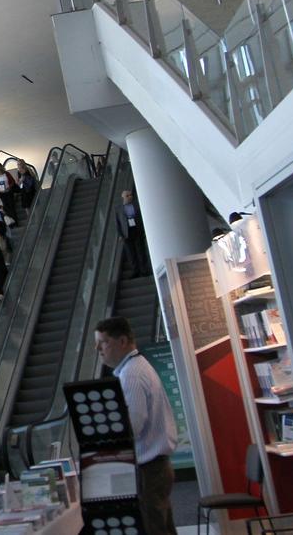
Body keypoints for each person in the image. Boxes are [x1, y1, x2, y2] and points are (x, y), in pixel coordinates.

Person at [94, 317, 178, 535]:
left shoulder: (131, 373)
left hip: (148, 469)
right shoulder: (136, 367)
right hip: (155, 467)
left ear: (122, 341)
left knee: (153, 529)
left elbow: (133, 424)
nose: (98, 349)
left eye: (103, 342)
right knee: (162, 527)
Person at [116, 189, 151, 277]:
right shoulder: (118, 209)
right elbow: (118, 223)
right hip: (126, 233)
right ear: (123, 197)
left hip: (137, 230)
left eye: (131, 195)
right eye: (127, 196)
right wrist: (120, 235)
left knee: (141, 251)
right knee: (131, 254)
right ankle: (135, 271)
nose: (130, 197)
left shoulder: (136, 205)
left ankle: (144, 270)